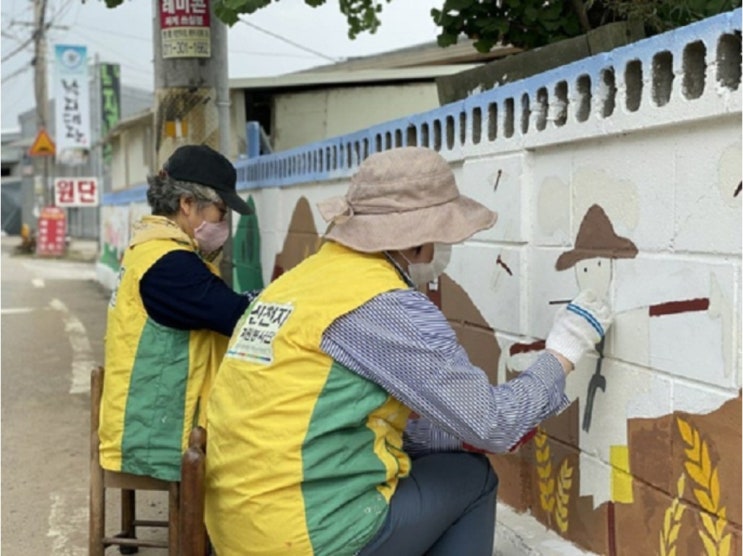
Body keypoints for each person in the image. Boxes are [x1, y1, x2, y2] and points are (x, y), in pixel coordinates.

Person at [204, 146, 612, 556]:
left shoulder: (302, 280)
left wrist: (449, 433)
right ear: (415, 241)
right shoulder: (382, 302)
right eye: (438, 237)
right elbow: (495, 425)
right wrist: (564, 350)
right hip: (302, 535)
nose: (440, 251)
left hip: (240, 524)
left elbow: (323, 417)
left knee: (443, 461)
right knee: (473, 479)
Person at [99, 144, 257, 482]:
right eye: (220, 210)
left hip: (146, 417)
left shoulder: (149, 249)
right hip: (160, 433)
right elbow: (236, 316)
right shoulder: (170, 264)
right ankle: (216, 534)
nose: (223, 222)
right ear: (187, 204)